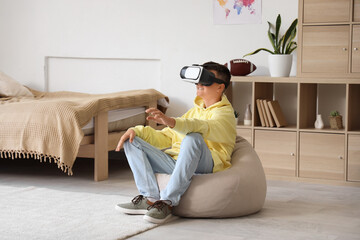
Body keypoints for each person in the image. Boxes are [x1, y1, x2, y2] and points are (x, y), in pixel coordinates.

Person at [115, 61, 236, 224]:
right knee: (131, 140)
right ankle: (149, 198)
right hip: (178, 163)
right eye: (198, 80)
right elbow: (165, 136)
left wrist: (171, 120)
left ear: (220, 87)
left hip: (207, 164)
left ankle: (167, 202)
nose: (199, 84)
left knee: (193, 137)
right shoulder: (193, 112)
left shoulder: (225, 113)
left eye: (205, 80)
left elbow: (202, 127)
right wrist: (136, 131)